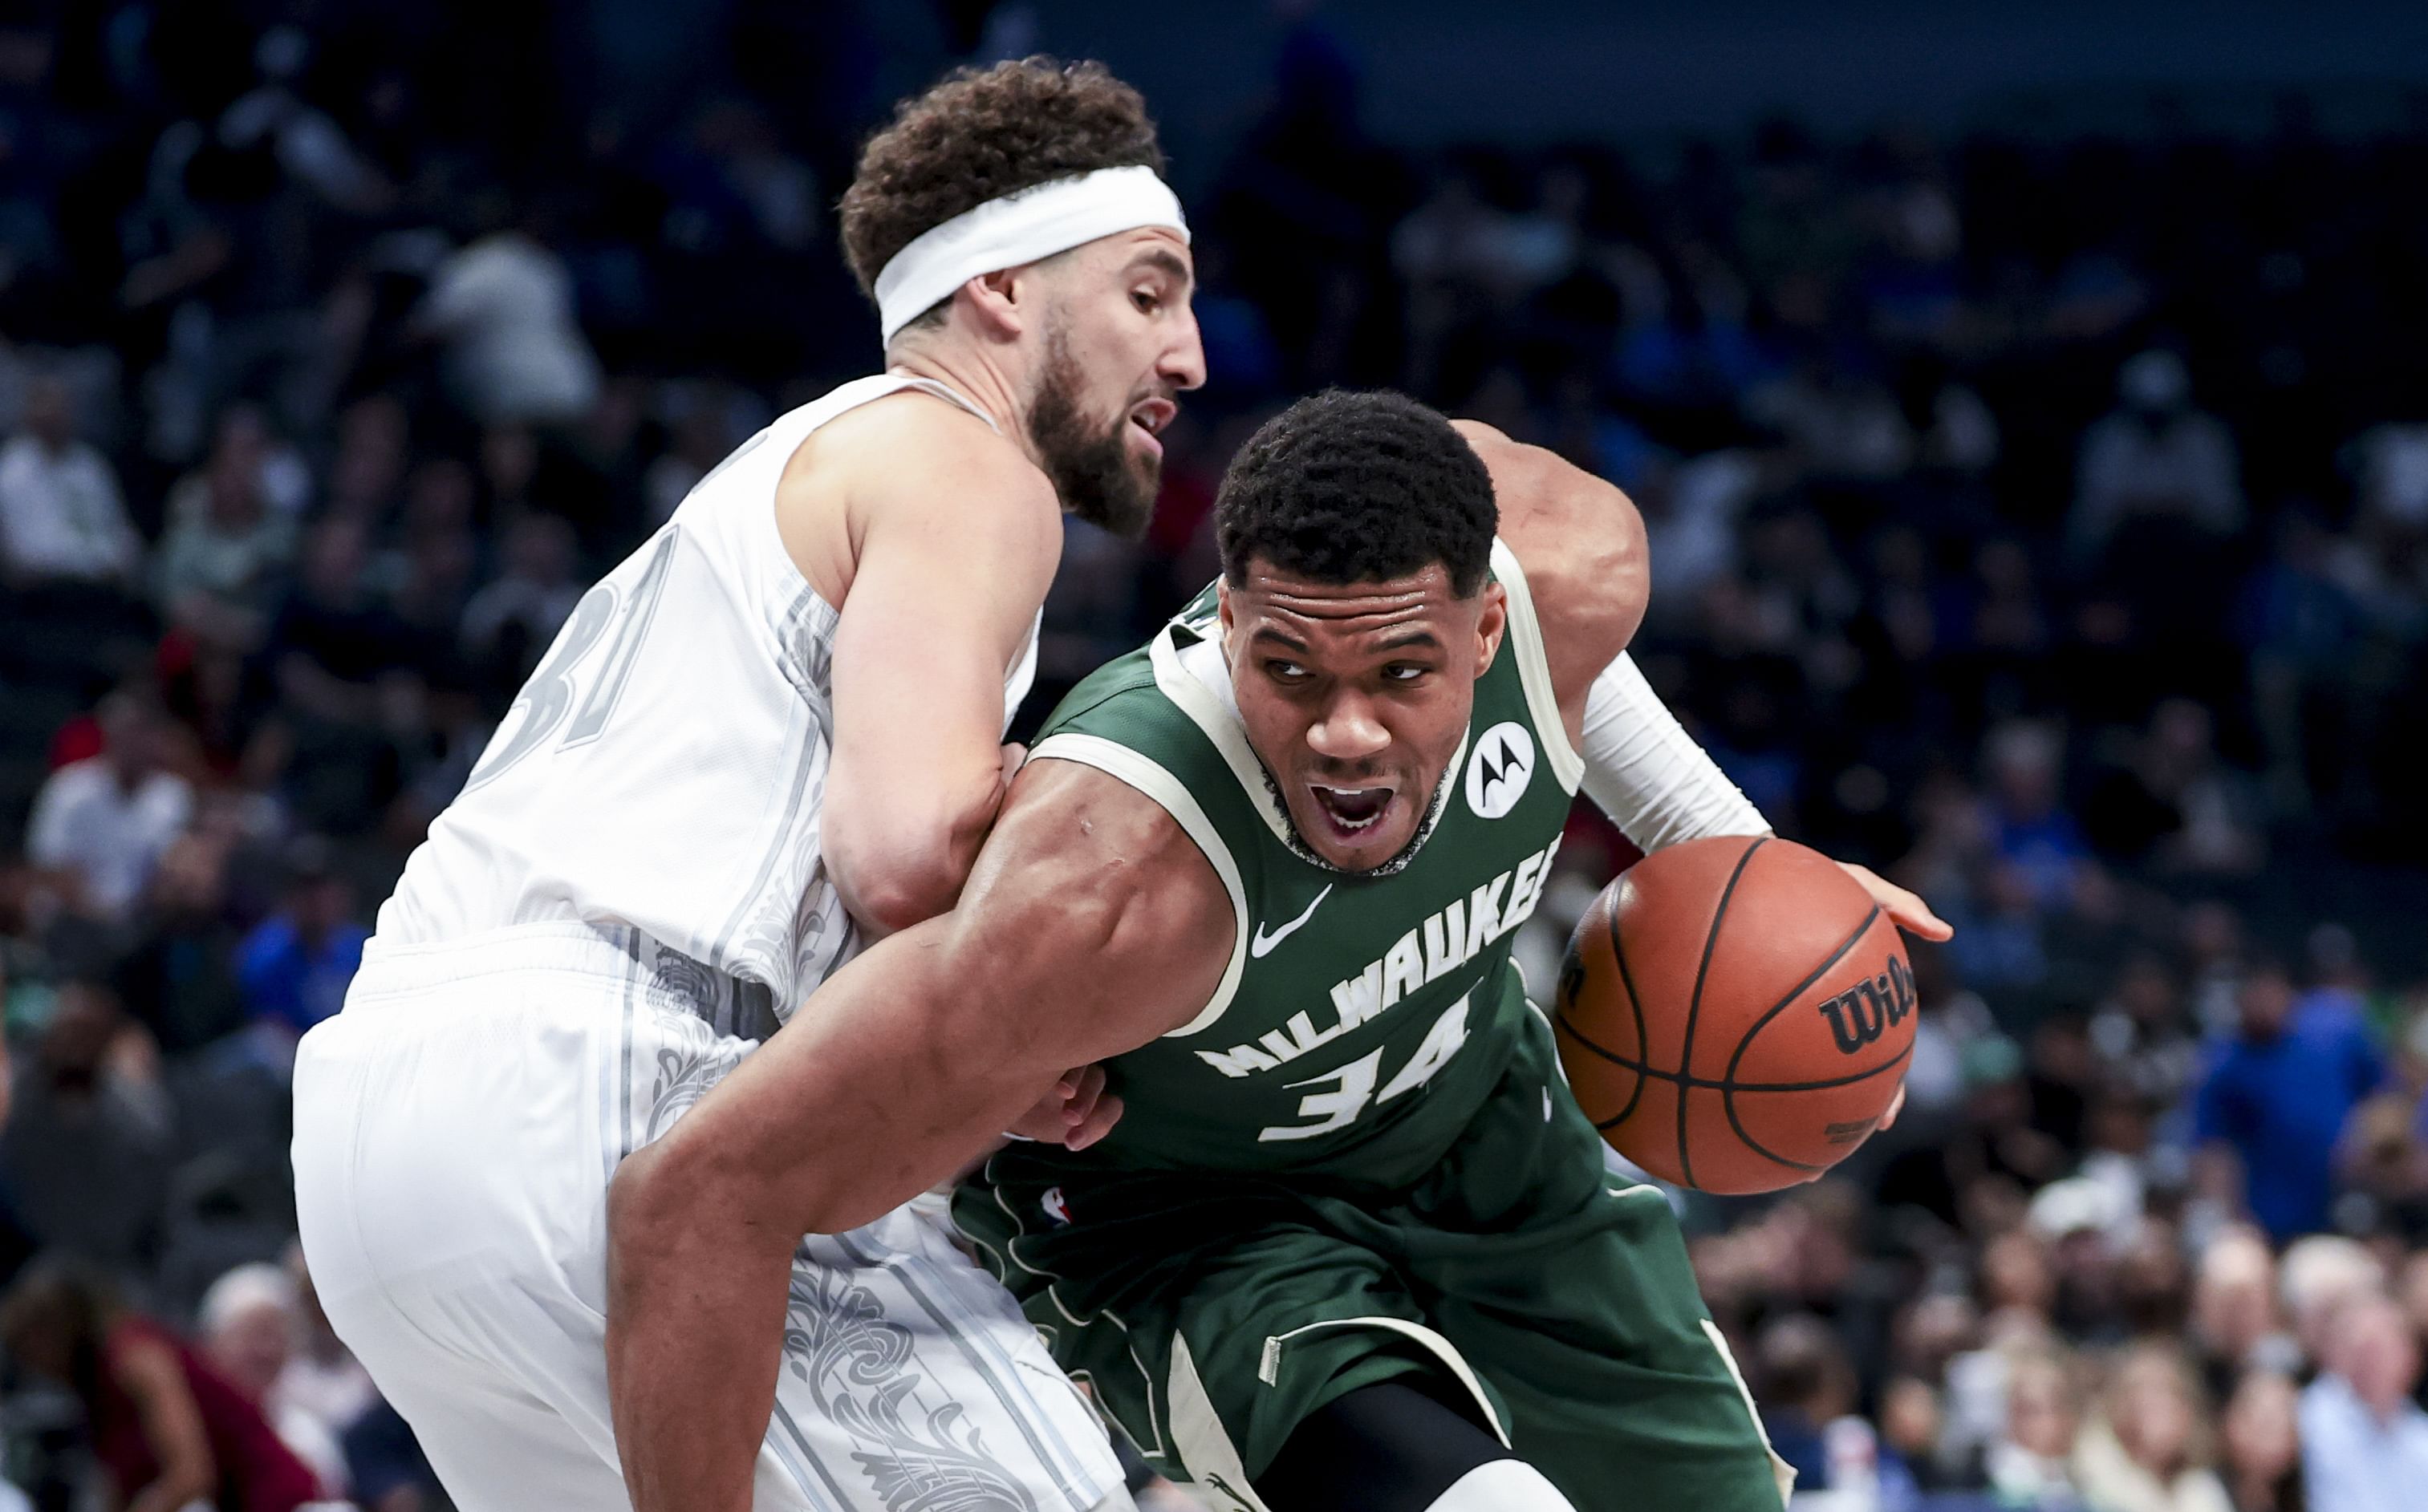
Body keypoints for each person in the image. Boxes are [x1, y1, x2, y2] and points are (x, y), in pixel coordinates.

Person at [610, 391, 1950, 1512]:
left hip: (1481, 1129)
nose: (1346, 733)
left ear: (1487, 629)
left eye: (1402, 674)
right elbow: (696, 1198)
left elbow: (1554, 652)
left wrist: (1744, 862)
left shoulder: (1571, 562)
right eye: (1290, 671)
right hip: (1206, 1232)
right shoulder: (1110, 886)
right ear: (1230, 628)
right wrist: (979, 1100)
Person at [291, 57, 1205, 1512]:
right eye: (1149, 295)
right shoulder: (968, 464)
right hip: (614, 1092)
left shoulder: (787, 467)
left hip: (380, 1144)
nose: (1189, 357)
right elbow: (904, 859)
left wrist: (978, 1061)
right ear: (1001, 293)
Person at [0, 1259, 323, 1512]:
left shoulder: (137, 1356)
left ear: (57, 1330)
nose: (32, 1365)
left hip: (277, 1500)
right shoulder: (96, 1392)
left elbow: (192, 1473)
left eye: (28, 1348)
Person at [2296, 1291, 2428, 1512]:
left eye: (2378, 1350)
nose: (2368, 1363)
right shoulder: (2308, 1417)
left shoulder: (2421, 1438)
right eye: (2359, 1349)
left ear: (2410, 1358)